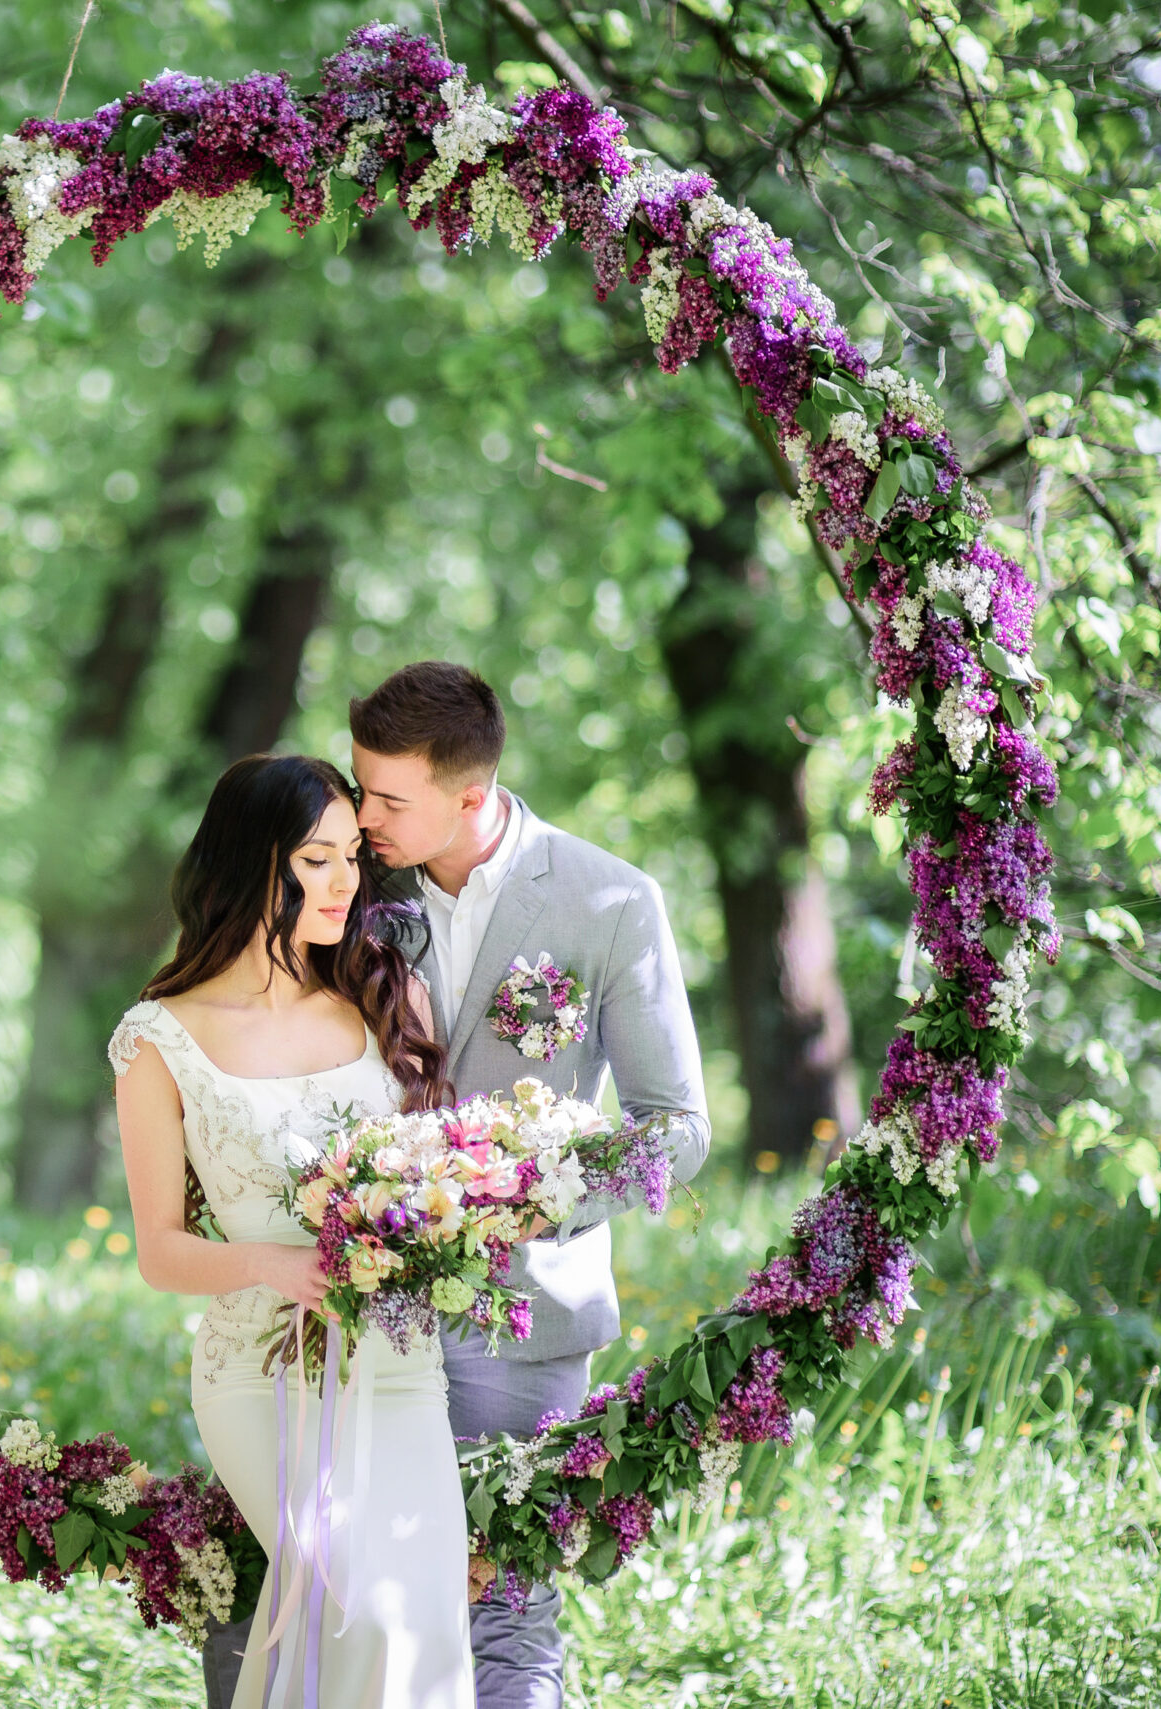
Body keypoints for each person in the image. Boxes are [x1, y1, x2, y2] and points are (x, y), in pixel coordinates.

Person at [343, 660, 710, 1709]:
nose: (362, 813)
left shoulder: (608, 898)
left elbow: (675, 1124)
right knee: (365, 1594)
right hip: (361, 1302)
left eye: (387, 797)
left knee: (504, 1593)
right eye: (362, 787)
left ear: (471, 794)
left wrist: (529, 1190)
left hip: (528, 1312)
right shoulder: (344, 882)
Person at [112, 753, 475, 1709]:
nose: (348, 880)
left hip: (399, 1366)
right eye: (317, 859)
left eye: (353, 854)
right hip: (260, 1374)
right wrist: (276, 1261)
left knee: (421, 1626)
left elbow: (437, 1181)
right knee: (358, 1607)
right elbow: (161, 1248)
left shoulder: (385, 997)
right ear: (254, 863)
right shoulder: (158, 1037)